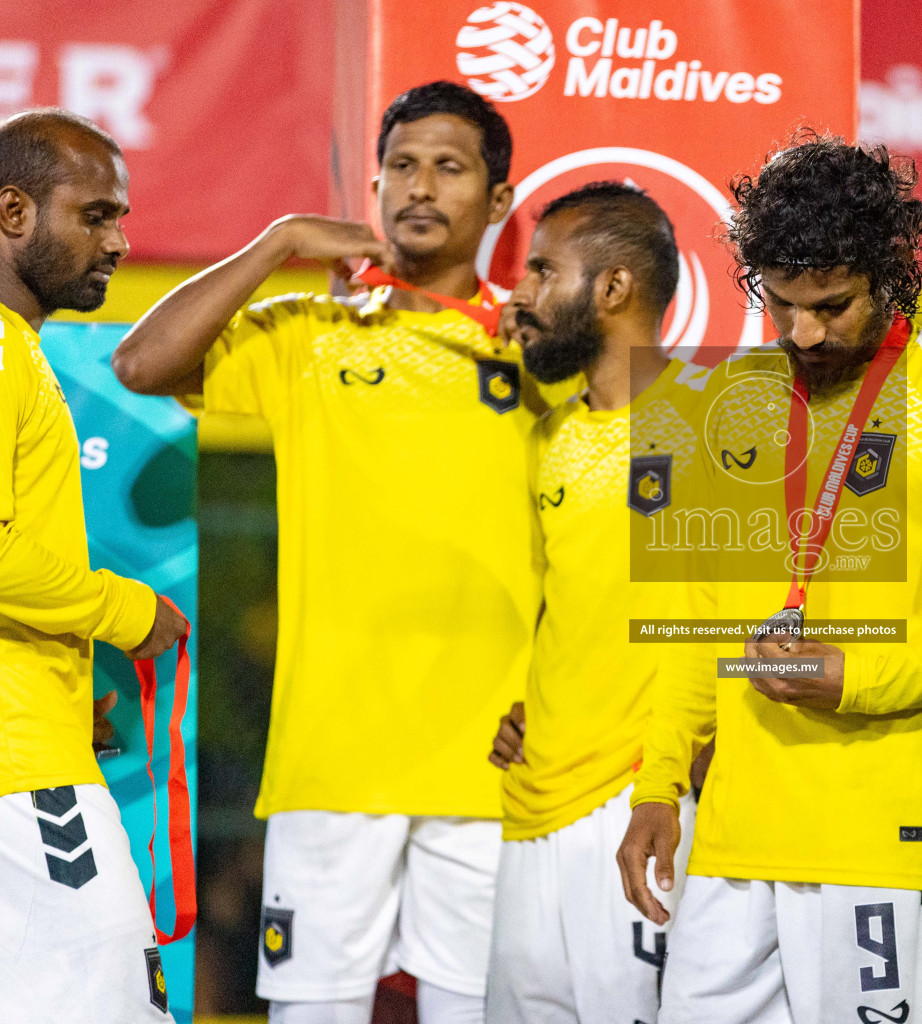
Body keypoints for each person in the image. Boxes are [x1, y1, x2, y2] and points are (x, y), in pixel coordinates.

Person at [113, 81, 543, 1024]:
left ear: (499, 201)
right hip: (330, 765)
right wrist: (274, 247)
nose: (420, 187)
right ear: (374, 183)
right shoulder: (309, 334)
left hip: (494, 764)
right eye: (401, 166)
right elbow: (140, 365)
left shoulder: (539, 347)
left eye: (450, 167)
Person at [616, 134, 922, 1022]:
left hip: (880, 845)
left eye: (832, 305)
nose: (803, 332)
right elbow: (700, 617)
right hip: (736, 842)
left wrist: (860, 679)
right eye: (780, 304)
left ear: (890, 274)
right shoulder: (729, 401)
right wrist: (659, 783)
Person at [483, 181, 703, 1022]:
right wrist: (532, 698)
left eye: (542, 270)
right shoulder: (552, 435)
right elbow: (568, 606)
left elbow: (746, 630)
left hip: (641, 807)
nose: (522, 294)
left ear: (612, 288)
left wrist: (673, 780)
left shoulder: (716, 423)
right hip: (529, 805)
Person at [0, 107, 188, 1021]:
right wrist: (122, 611)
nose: (120, 240)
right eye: (97, 215)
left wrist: (75, 691)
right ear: (13, 213)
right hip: (19, 767)